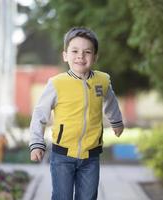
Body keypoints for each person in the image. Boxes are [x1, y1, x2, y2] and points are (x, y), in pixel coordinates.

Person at [29, 27, 124, 200]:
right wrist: (36, 143)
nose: (81, 56)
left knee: (88, 197)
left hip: (91, 156)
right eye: (75, 51)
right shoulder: (57, 83)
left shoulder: (102, 81)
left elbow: (111, 102)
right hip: (62, 155)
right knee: (62, 196)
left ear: (95, 57)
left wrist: (116, 121)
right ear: (65, 55)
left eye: (87, 52)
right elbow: (40, 114)